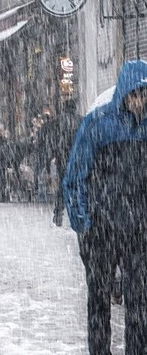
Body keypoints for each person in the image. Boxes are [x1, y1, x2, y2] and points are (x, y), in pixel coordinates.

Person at [63, 60, 147, 354]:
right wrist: (84, 224)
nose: (140, 102)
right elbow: (75, 177)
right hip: (101, 230)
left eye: (145, 95)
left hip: (139, 232)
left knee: (140, 303)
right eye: (136, 94)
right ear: (125, 92)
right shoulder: (98, 124)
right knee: (99, 302)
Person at [38, 99, 83, 226]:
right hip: (77, 158)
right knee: (77, 185)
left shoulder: (57, 122)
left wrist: (49, 159)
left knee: (63, 186)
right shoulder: (81, 120)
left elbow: (50, 141)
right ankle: (77, 211)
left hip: (62, 157)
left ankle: (58, 212)